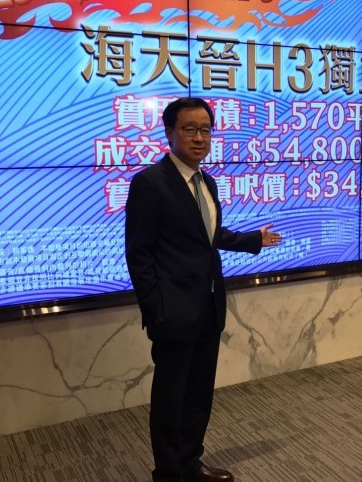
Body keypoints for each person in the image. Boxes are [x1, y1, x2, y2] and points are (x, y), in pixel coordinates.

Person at [125, 97, 282, 482]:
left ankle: (190, 463)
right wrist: (155, 309)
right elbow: (139, 254)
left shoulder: (206, 181)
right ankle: (168, 473)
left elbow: (208, 235)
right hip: (172, 313)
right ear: (169, 133)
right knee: (170, 399)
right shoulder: (150, 183)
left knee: (198, 394)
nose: (199, 138)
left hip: (209, 307)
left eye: (206, 130)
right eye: (189, 129)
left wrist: (253, 240)